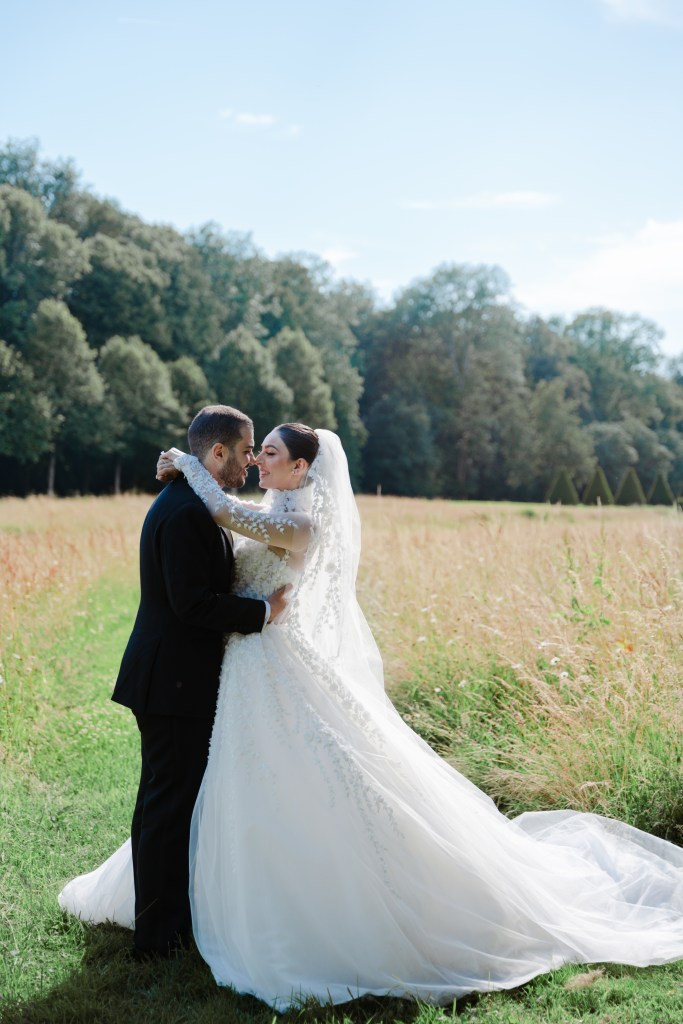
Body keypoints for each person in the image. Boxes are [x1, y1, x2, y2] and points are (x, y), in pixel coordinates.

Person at [60, 424, 683, 1008]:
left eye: (270, 453)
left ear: (303, 467)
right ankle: (190, 908)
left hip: (269, 657)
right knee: (218, 785)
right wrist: (193, 472)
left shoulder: (300, 521)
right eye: (254, 451)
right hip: (243, 666)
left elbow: (225, 514)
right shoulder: (273, 509)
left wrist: (188, 464)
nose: (257, 460)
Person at [88, 404, 289, 959]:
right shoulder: (184, 512)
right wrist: (262, 613)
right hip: (172, 682)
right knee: (168, 809)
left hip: (172, 678)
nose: (251, 462)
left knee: (163, 803)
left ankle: (160, 919)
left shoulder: (197, 501)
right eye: (246, 451)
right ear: (217, 453)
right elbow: (191, 603)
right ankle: (157, 939)